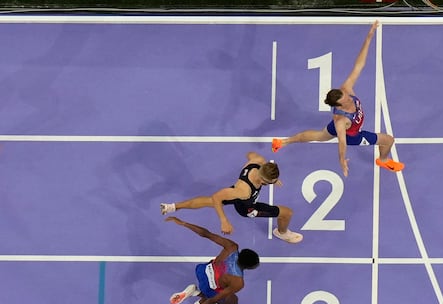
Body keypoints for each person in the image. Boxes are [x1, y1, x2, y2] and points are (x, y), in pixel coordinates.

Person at [271, 21, 404, 177]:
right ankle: (382, 160)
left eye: (346, 94)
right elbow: (342, 142)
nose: (348, 95)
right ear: (339, 105)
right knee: (388, 140)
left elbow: (358, 66)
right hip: (353, 135)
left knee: (319, 136)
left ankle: (281, 142)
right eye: (345, 98)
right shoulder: (341, 120)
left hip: (340, 129)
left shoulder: (345, 89)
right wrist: (342, 160)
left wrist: (368, 38)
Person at [160, 151, 302, 243]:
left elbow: (249, 154)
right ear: (263, 180)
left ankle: (173, 206)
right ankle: (282, 232)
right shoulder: (243, 191)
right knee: (287, 213)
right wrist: (224, 221)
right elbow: (217, 198)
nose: (272, 184)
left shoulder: (258, 161)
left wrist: (273, 178)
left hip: (237, 191)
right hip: (247, 207)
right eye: (270, 182)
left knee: (207, 201)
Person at [165, 216, 260, 304]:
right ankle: (200, 295)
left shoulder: (232, 247)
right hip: (208, 287)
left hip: (201, 270)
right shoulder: (238, 282)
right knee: (233, 300)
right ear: (248, 267)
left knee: (218, 286)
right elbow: (214, 300)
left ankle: (195, 291)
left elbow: (206, 233)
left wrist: (183, 223)